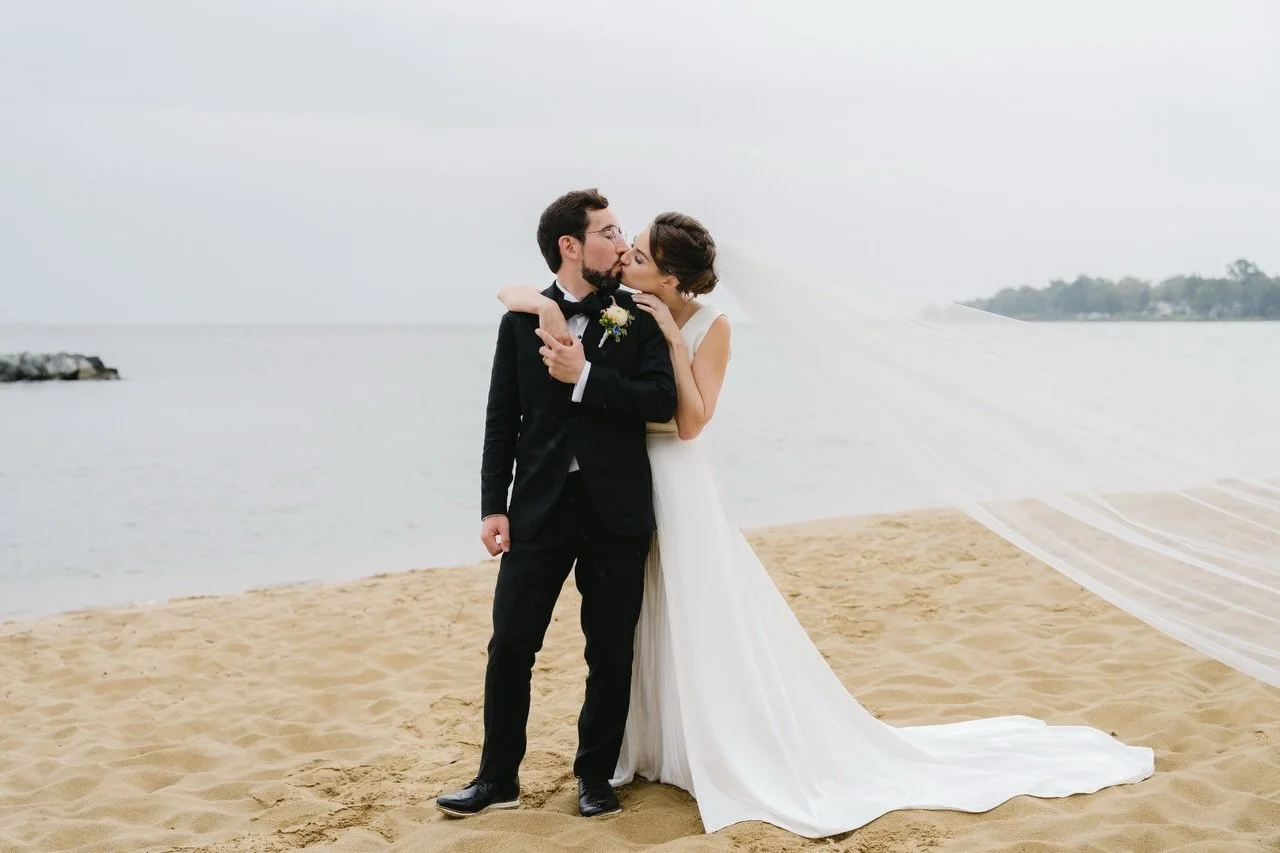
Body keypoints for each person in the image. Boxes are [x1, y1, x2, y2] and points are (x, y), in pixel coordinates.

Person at [493, 210, 1155, 837]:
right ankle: (647, 746)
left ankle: (712, 746)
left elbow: (688, 420)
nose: (625, 257)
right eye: (624, 245)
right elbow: (531, 310)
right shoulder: (624, 307)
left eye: (637, 253)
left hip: (676, 480)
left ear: (669, 277)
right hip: (626, 483)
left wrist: (669, 335)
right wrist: (549, 310)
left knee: (689, 614)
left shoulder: (696, 324)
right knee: (641, 624)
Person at [434, 189, 677, 820]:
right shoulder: (521, 322)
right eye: (608, 232)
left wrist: (586, 376)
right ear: (571, 245)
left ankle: (595, 778)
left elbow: (661, 399)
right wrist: (493, 506)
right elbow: (501, 418)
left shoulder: (637, 316)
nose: (621, 242)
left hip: (615, 508)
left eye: (621, 231)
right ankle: (496, 780)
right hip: (537, 507)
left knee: (610, 650)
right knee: (511, 645)